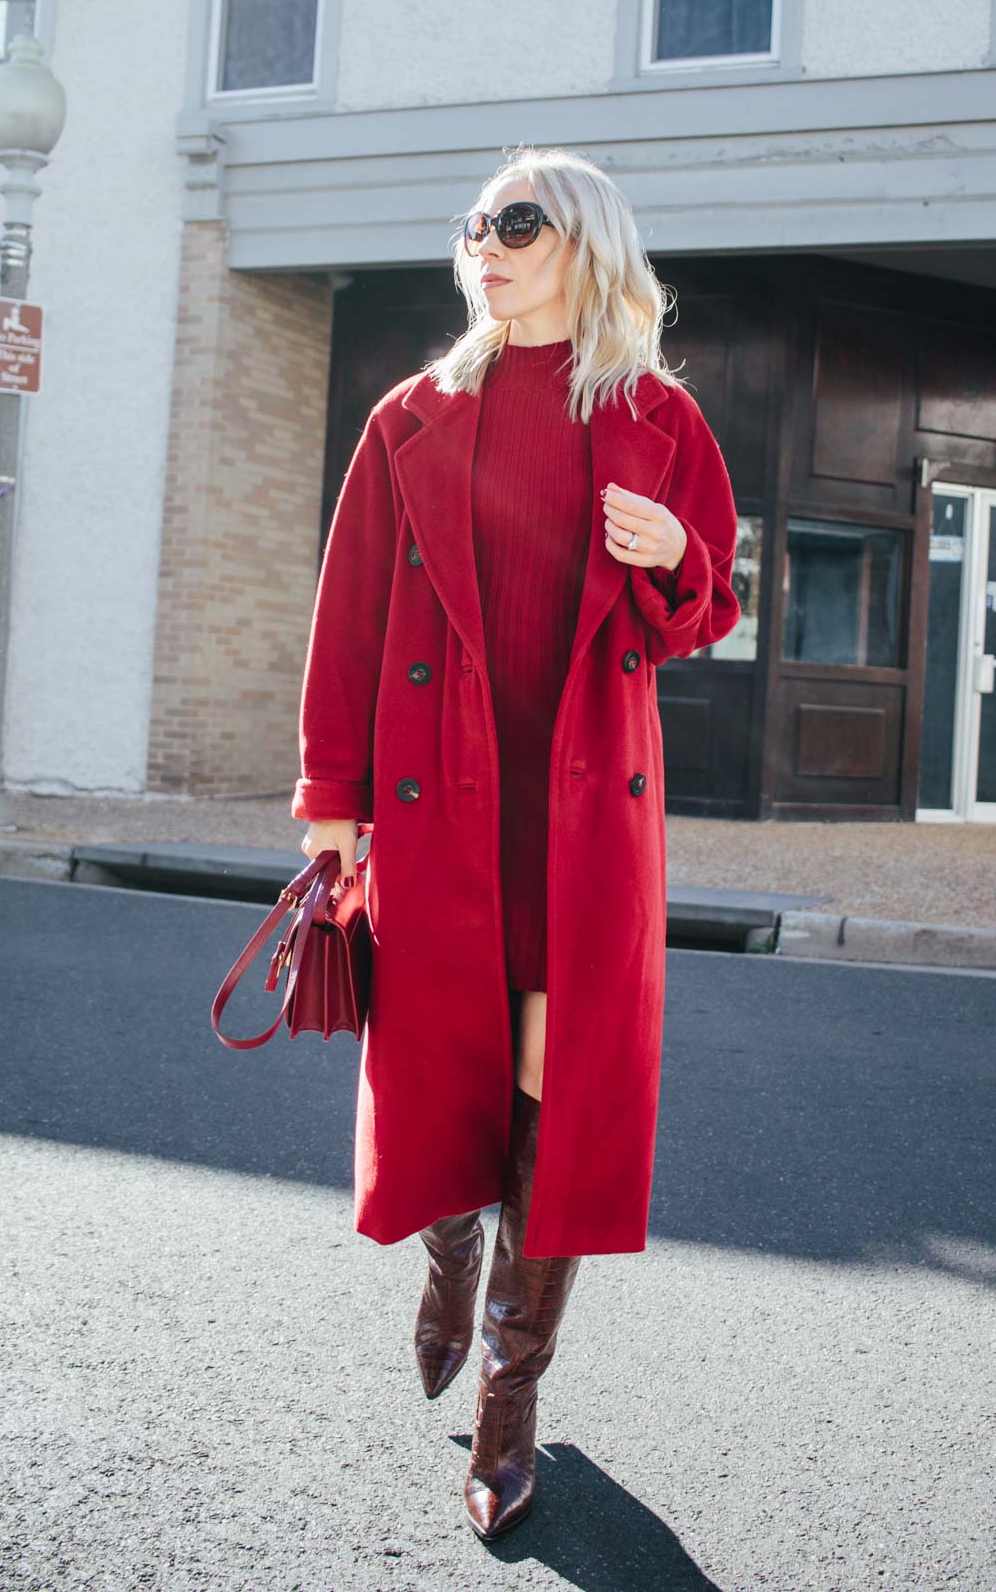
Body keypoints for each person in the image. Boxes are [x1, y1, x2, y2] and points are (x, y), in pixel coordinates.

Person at [293, 145, 741, 1539]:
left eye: (518, 224)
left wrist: (674, 551)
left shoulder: (661, 417)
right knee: (447, 1063)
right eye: (475, 225)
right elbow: (350, 615)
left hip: (587, 808)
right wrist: (331, 800)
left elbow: (706, 608)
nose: (485, 246)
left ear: (586, 244)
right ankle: (447, 1260)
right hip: (442, 797)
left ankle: (508, 1399)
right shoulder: (411, 417)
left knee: (556, 1081)